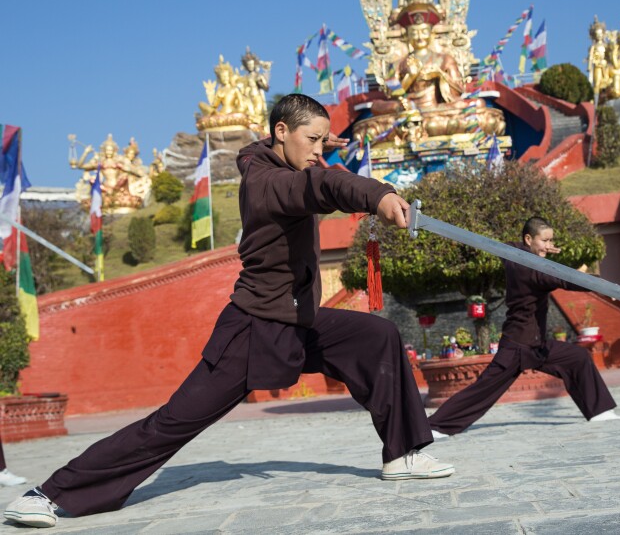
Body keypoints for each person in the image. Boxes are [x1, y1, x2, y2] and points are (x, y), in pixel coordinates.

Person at [4, 94, 453, 529]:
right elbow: (324, 185)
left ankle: (403, 453)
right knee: (171, 424)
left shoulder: (274, 158)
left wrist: (318, 143)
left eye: (323, 141)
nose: (318, 151)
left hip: (298, 319)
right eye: (312, 140)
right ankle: (49, 494)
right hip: (255, 329)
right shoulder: (270, 183)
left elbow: (291, 158)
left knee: (375, 336)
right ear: (282, 132)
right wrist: (377, 194)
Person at [429, 217, 620, 439]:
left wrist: (541, 249)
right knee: (484, 390)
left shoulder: (515, 255)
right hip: (518, 346)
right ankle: (436, 426)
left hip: (536, 346)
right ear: (529, 238)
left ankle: (599, 410)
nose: (549, 246)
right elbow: (566, 279)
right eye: (545, 240)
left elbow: (513, 248)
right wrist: (604, 286)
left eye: (551, 241)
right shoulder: (534, 270)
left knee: (577, 357)